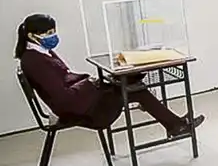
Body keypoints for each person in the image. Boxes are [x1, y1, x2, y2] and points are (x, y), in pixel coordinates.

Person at [14, 14, 203, 136]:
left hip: (82, 102)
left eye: (54, 31)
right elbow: (64, 98)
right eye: (48, 33)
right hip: (83, 111)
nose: (52, 36)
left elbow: (66, 79)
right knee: (135, 90)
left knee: (130, 84)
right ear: (32, 36)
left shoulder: (40, 53)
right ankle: (175, 124)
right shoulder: (34, 61)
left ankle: (175, 124)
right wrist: (91, 83)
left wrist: (93, 82)